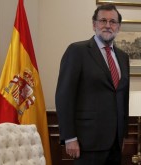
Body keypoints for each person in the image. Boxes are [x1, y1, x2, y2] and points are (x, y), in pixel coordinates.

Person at [55, 4, 129, 165]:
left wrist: (122, 135)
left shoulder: (123, 57)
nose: (108, 25)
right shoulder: (77, 51)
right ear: (94, 24)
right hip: (86, 142)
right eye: (103, 20)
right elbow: (64, 97)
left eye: (113, 21)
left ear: (118, 27)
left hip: (115, 143)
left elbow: (123, 97)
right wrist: (69, 137)